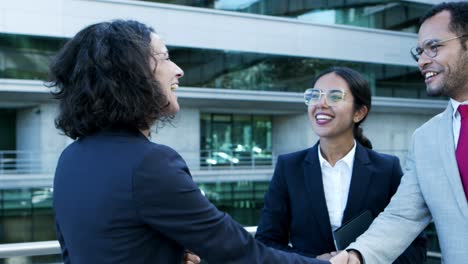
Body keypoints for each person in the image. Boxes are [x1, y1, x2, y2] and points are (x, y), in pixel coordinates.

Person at [49, 20, 349, 264]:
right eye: (164, 57)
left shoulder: (71, 158)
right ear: (131, 75)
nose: (178, 69)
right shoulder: (149, 164)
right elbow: (238, 251)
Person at [253, 67, 427, 263]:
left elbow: (414, 247)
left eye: (335, 96)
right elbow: (266, 242)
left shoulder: (387, 169)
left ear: (359, 113)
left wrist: (361, 259)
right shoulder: (289, 167)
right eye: (315, 95)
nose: (321, 103)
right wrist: (315, 261)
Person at [341, 2, 468, 264]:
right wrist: (356, 255)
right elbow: (403, 216)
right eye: (419, 52)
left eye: (434, 47)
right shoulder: (425, 139)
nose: (422, 61)